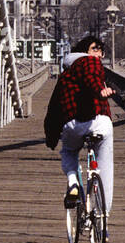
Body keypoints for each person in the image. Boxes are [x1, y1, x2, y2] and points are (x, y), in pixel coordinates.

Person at [44, 35, 115, 215]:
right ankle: (102, 214)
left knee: (69, 152)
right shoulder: (90, 62)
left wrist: (51, 137)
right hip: (99, 122)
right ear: (84, 51)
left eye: (101, 50)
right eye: (94, 48)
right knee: (105, 167)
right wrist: (99, 91)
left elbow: (54, 108)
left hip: (73, 125)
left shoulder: (65, 75)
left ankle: (73, 182)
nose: (99, 53)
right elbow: (92, 78)